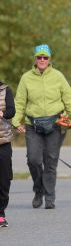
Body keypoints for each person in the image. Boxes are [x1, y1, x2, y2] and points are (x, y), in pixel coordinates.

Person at [12, 44, 71, 209]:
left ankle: (49, 197)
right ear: (35, 59)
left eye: (45, 57)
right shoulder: (26, 78)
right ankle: (38, 190)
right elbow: (20, 102)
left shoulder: (58, 76)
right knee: (34, 160)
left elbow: (69, 99)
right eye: (39, 57)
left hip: (55, 125)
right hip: (33, 125)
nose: (42, 60)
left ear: (49, 59)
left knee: (51, 161)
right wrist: (16, 121)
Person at [0, 80, 15, 227]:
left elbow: (12, 110)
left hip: (3, 142)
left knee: (4, 179)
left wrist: (2, 113)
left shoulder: (5, 90)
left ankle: (1, 212)